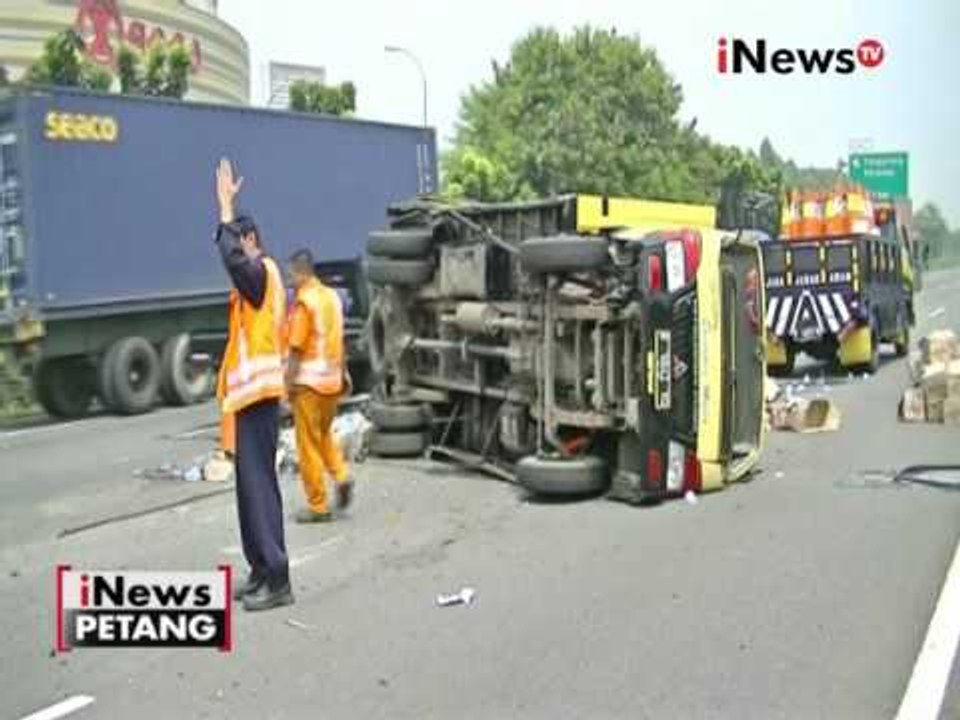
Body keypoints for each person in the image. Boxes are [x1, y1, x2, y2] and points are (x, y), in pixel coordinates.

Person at [214, 158, 293, 612]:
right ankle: (261, 569)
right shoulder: (252, 283)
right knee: (249, 490)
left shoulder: (261, 272)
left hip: (261, 397)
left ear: (251, 242)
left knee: (260, 487)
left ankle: (278, 578)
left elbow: (235, 263)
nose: (235, 255)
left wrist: (226, 209)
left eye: (239, 243)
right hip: (249, 398)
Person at [285, 248, 353, 523]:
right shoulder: (331, 298)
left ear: (300, 272)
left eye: (290, 273)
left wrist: (287, 385)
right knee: (324, 435)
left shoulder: (305, 302)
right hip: (331, 382)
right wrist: (344, 373)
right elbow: (339, 339)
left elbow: (297, 348)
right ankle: (342, 475)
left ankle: (318, 505)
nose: (289, 279)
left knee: (307, 445)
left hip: (309, 385)